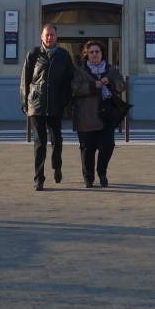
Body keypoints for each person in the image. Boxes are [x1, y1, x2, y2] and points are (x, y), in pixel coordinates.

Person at [21, 23, 75, 190]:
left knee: (56, 140)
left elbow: (69, 81)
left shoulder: (64, 55)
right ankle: (39, 177)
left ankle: (57, 166)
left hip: (55, 105)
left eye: (52, 35)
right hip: (37, 104)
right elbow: (25, 80)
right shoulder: (34, 54)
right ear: (41, 37)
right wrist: (25, 103)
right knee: (40, 143)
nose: (49, 37)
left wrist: (64, 101)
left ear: (56, 37)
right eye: (47, 35)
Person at [71, 39, 127, 187]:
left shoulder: (110, 70)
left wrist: (111, 81)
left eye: (97, 52)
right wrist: (92, 85)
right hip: (86, 117)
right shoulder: (81, 71)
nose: (94, 54)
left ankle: (102, 172)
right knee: (87, 149)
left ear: (102, 54)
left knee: (107, 145)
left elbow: (122, 85)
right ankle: (88, 177)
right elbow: (75, 88)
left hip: (106, 116)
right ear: (86, 54)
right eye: (91, 52)